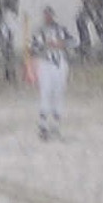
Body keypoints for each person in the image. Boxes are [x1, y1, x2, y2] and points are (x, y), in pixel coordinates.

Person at [32, 10, 74, 141]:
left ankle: (56, 124)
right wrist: (45, 45)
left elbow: (74, 42)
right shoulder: (39, 31)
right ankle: (43, 125)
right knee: (45, 92)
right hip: (45, 63)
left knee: (58, 92)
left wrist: (62, 44)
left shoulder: (62, 30)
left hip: (60, 64)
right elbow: (32, 47)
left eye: (50, 15)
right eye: (46, 15)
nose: (48, 18)